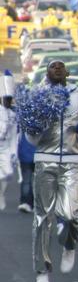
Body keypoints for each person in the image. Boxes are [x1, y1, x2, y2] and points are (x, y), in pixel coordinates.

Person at [28, 60, 78, 282]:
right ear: (48, 73)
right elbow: (30, 136)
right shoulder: (38, 95)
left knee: (70, 214)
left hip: (72, 161)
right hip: (45, 159)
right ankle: (41, 271)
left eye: (61, 66)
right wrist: (34, 128)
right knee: (42, 217)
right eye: (52, 66)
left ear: (67, 72)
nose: (57, 69)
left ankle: (69, 245)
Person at [0, 75, 17, 209]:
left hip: (5, 147)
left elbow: (13, 136)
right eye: (6, 98)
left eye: (9, 99)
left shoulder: (13, 115)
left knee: (7, 175)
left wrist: (13, 152)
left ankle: (2, 194)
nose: (8, 101)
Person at [17, 131, 35, 213]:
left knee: (26, 181)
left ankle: (25, 202)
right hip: (39, 154)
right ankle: (35, 203)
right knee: (39, 181)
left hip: (24, 155)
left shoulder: (23, 121)